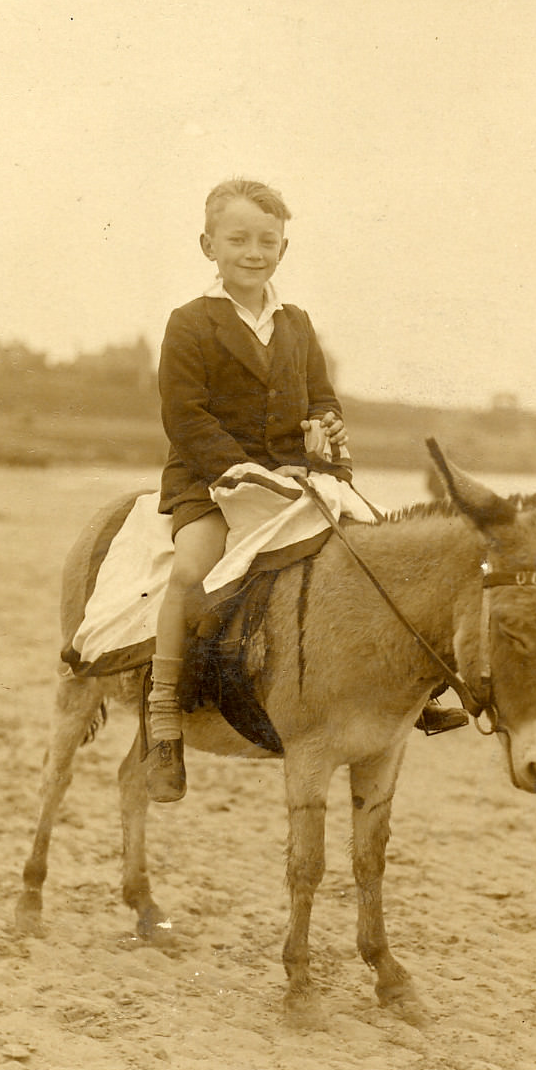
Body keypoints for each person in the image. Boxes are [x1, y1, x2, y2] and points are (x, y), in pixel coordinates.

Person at [146, 178, 349, 801]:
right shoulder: (190, 322)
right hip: (212, 480)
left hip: (293, 478)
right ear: (210, 246)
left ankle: (403, 697)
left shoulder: (297, 323)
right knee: (192, 569)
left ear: (283, 250)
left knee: (371, 551)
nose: (253, 252)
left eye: (267, 241)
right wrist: (241, 470)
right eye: (238, 240)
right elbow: (185, 414)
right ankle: (163, 720)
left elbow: (320, 395)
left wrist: (328, 428)